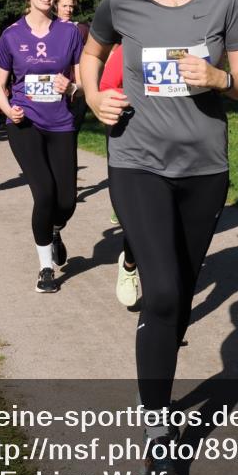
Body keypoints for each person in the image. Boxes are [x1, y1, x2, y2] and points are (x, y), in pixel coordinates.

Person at [81, 0, 238, 475]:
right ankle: (160, 439)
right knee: (161, 293)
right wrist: (92, 96)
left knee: (177, 293)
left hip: (204, 169)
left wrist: (218, 79)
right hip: (136, 160)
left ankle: (152, 360)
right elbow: (92, 53)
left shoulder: (223, 0)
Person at [0, 0, 84, 293]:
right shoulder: (12, 35)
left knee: (67, 201)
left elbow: (82, 81)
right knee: (43, 192)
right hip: (25, 123)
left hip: (61, 122)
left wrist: (71, 86)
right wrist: (9, 110)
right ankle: (46, 268)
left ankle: (55, 228)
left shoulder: (70, 33)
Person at [99, 43, 140, 307]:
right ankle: (129, 265)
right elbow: (107, 85)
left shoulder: (187, 46)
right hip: (134, 141)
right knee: (141, 218)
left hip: (182, 147)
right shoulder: (129, 48)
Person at [54, 0, 90, 134]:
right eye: (64, 6)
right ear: (55, 6)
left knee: (71, 133)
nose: (69, 10)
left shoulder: (82, 29)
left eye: (71, 6)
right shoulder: (47, 29)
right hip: (53, 88)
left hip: (77, 89)